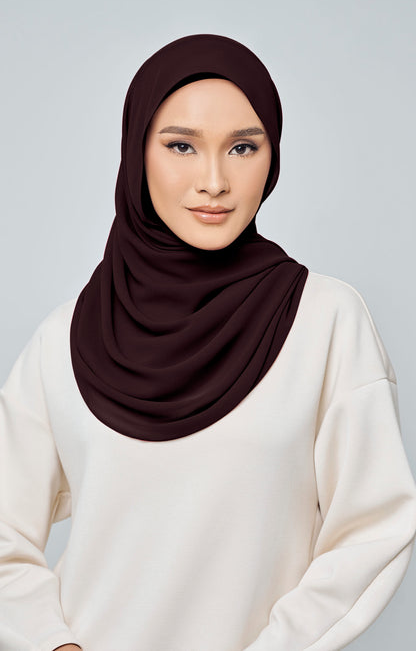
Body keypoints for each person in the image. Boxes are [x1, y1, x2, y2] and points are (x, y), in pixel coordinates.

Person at [0, 33, 415, 651]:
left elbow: (373, 529)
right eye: (181, 146)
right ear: (136, 152)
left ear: (272, 156)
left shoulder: (326, 320)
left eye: (243, 147)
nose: (215, 181)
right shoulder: (64, 340)